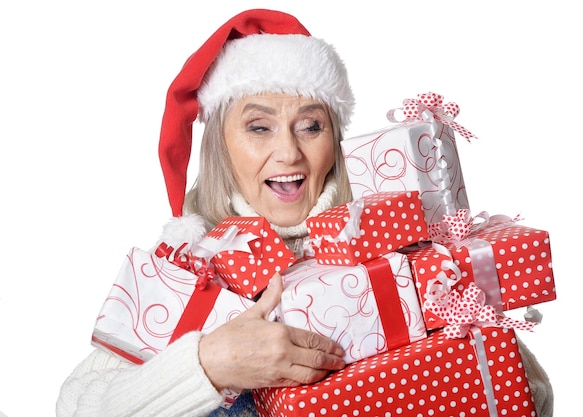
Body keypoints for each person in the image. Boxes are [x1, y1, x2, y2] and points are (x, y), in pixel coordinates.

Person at [56, 8, 553, 417]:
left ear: (335, 142)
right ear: (221, 148)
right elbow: (77, 407)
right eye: (259, 127)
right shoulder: (187, 269)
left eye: (310, 126)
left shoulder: (393, 244)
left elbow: (520, 389)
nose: (290, 154)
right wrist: (209, 364)